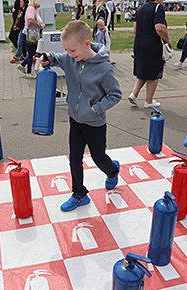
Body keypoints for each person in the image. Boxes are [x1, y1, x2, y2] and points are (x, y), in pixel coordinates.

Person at [40, 20, 122, 212]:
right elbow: (57, 58)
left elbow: (116, 95)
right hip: (75, 120)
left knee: (99, 158)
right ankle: (79, 194)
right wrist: (48, 57)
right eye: (67, 50)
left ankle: (113, 170)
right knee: (74, 158)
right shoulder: (71, 58)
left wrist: (96, 108)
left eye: (72, 50)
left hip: (94, 123)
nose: (69, 55)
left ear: (86, 43)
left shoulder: (103, 68)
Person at [128, 0, 172, 108]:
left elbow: (134, 29)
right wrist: (168, 40)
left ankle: (134, 93)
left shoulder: (140, 9)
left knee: (143, 71)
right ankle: (148, 101)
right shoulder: (158, 8)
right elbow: (159, 28)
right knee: (154, 74)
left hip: (139, 44)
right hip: (152, 45)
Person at [17, 0, 45, 79]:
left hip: (32, 34)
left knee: (32, 53)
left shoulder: (34, 9)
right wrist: (40, 26)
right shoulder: (31, 9)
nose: (40, 4)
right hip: (29, 34)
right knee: (31, 53)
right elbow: (30, 20)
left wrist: (41, 25)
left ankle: (22, 65)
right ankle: (28, 71)